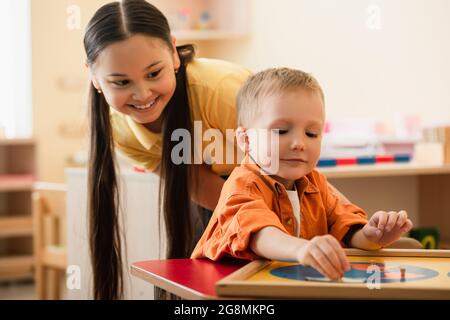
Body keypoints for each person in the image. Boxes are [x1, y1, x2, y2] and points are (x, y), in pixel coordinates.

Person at [84, 0, 354, 299]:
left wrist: (345, 230)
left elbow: (298, 167)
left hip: (277, 185)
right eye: (121, 82)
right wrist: (259, 234)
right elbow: (201, 187)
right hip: (230, 202)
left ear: (174, 53)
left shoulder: (222, 91)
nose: (142, 93)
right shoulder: (121, 132)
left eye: (153, 73)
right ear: (94, 77)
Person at [191, 68, 413, 280]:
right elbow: (260, 234)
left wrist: (372, 236)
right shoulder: (242, 185)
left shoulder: (315, 183)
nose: (299, 143)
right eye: (281, 131)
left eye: (311, 133)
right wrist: (303, 249)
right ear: (246, 139)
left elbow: (346, 227)